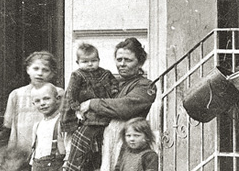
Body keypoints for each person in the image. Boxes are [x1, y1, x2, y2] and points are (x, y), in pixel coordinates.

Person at [78, 38, 156, 171]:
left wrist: (92, 103)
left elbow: (124, 107)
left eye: (128, 60)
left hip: (128, 144)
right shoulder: (112, 83)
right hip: (103, 143)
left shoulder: (145, 86)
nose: (122, 64)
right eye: (119, 60)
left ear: (140, 62)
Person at [63, 43, 119, 171]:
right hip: (86, 110)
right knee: (86, 134)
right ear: (78, 62)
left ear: (99, 60)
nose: (90, 64)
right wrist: (75, 107)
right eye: (85, 62)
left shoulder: (105, 73)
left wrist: (114, 91)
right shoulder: (77, 75)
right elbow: (71, 92)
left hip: (103, 107)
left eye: (93, 61)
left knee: (102, 141)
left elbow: (114, 83)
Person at [1, 51, 64, 163]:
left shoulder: (59, 94)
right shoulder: (16, 94)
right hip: (21, 152)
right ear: (28, 70)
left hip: (48, 152)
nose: (40, 73)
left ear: (52, 74)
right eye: (36, 69)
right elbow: (8, 125)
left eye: (45, 70)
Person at [28, 83, 66, 171]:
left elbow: (69, 151)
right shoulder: (37, 125)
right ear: (33, 103)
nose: (42, 103)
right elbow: (35, 151)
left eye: (46, 98)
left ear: (57, 99)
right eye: (37, 101)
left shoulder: (61, 123)